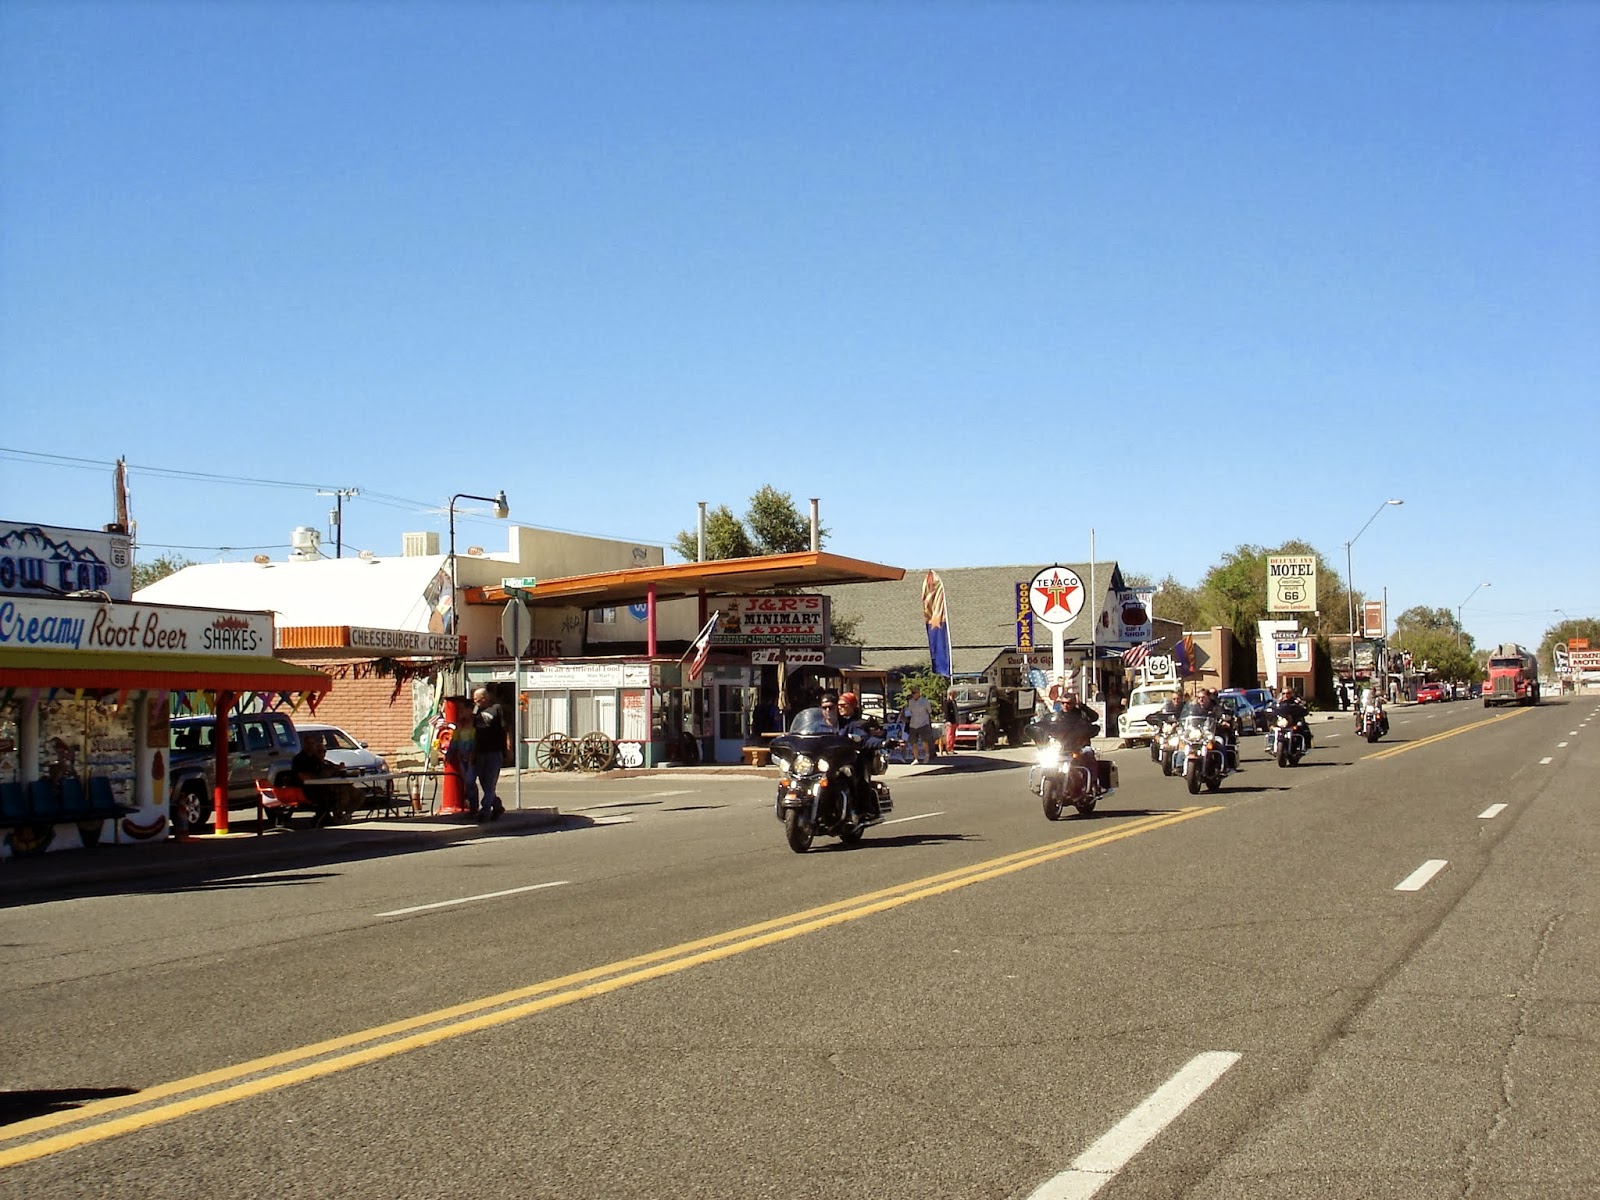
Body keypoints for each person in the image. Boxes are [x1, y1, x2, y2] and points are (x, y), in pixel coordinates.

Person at [835, 692, 888, 819]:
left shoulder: (858, 724)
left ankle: (860, 808)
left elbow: (865, 739)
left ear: (852, 706)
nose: (840, 707)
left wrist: (883, 743)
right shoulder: (833, 722)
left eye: (844, 705)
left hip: (852, 758)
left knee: (852, 774)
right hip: (834, 758)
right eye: (838, 705)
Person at [289, 731, 357, 827]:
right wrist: (320, 777)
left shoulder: (315, 758)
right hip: (306, 789)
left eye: (313, 744)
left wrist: (336, 769)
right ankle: (321, 819)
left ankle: (337, 816)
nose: (311, 746)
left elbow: (326, 768)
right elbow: (304, 776)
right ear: (304, 744)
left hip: (319, 785)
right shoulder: (299, 759)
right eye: (308, 744)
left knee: (346, 791)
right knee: (329, 795)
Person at [471, 686, 508, 821]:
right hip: (480, 751)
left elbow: (504, 729)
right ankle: (497, 806)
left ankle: (484, 811)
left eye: (477, 699)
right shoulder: (476, 712)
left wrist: (507, 748)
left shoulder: (496, 708)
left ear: (484, 698)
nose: (475, 701)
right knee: (485, 783)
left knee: (491, 783)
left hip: (494, 751)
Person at [903, 685, 934, 764]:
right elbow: (910, 711)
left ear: (919, 693)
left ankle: (926, 756)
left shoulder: (925, 701)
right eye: (912, 693)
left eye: (914, 693)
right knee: (913, 742)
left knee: (924, 741)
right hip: (913, 724)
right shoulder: (911, 702)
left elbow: (929, 711)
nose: (913, 694)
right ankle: (916, 758)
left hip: (923, 723)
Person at [942, 687, 959, 754]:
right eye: (955, 694)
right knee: (949, 735)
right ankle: (948, 748)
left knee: (953, 735)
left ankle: (951, 747)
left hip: (954, 720)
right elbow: (946, 712)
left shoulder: (954, 702)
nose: (955, 696)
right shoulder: (947, 703)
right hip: (949, 722)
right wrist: (947, 721)